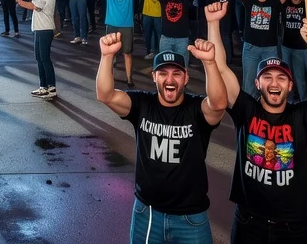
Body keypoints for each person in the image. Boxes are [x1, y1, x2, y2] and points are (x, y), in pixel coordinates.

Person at [211, 7, 307, 244]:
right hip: (248, 221)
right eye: (268, 77)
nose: (274, 82)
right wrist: (213, 23)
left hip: (292, 226)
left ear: (290, 86)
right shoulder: (245, 109)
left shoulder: (302, 115)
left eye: (281, 78)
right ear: (257, 83)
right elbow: (220, 67)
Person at [96, 29, 227, 244]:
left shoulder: (195, 109)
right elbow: (105, 95)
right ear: (154, 76)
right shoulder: (142, 105)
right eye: (163, 73)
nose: (170, 79)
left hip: (190, 217)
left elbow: (219, 104)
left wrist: (210, 64)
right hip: (147, 214)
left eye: (176, 73)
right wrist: (107, 56)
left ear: (185, 78)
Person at [231, 0, 301, 95]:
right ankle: (250, 114)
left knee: (269, 84)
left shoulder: (275, 2)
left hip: (270, 49)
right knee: (250, 86)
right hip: (250, 49)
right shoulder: (249, 1)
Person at [96, 0, 144, 86]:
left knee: (127, 53)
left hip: (127, 26)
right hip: (111, 25)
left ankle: (129, 79)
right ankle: (108, 76)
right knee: (110, 53)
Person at [16, 0, 58, 100]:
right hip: (39, 28)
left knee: (44, 58)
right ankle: (43, 86)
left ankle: (51, 87)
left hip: (45, 29)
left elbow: (35, 6)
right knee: (39, 58)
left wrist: (21, 2)